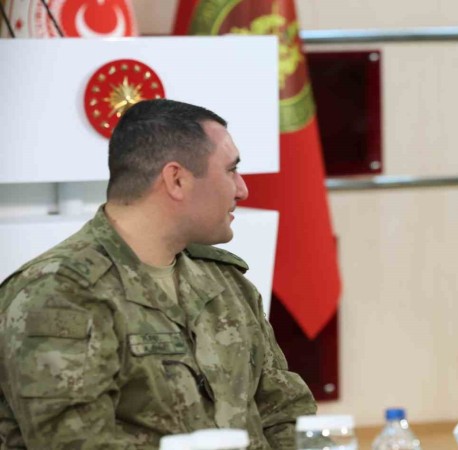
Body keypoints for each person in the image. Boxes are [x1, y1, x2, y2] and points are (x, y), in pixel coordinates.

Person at [0, 99, 316, 449]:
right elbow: (76, 443)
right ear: (176, 180)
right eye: (230, 171)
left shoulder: (227, 283)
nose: (242, 189)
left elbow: (285, 414)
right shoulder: (59, 294)